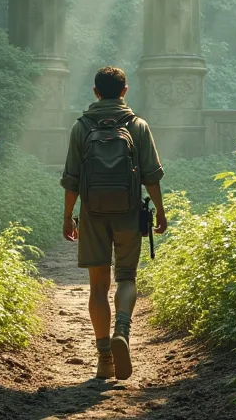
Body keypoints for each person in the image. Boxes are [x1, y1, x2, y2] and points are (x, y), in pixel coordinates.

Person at [61, 66, 167, 381]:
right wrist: (160, 211)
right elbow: (151, 176)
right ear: (125, 91)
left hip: (93, 214)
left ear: (95, 92)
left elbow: (72, 180)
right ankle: (123, 327)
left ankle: (104, 356)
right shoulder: (138, 126)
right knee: (126, 278)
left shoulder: (81, 128)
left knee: (97, 286)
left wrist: (68, 216)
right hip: (129, 212)